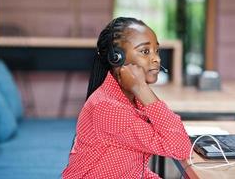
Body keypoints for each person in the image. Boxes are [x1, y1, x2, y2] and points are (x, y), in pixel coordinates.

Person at [62, 17, 191, 178]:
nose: (156, 59)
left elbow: (135, 170)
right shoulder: (108, 108)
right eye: (145, 51)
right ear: (117, 59)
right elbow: (180, 147)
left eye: (156, 50)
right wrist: (141, 87)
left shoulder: (131, 98)